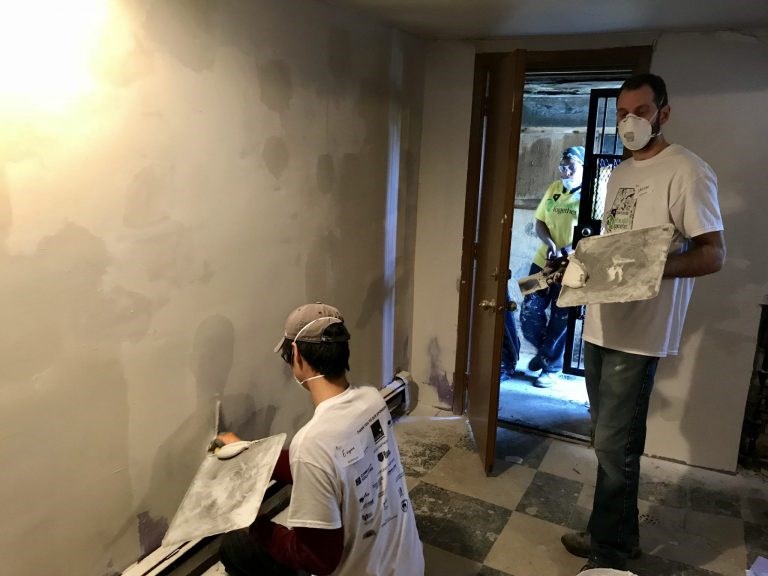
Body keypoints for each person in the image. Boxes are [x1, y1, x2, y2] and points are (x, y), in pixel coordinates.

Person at [560, 74, 726, 572]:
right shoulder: (622, 173)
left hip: (642, 331)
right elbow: (621, 244)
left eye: (640, 111)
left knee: (617, 445)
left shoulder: (689, 172)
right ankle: (616, 535)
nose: (629, 122)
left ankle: (608, 552)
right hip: (601, 324)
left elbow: (712, 255)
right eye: (621, 113)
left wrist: (645, 268)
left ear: (664, 113)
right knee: (607, 442)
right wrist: (585, 264)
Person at [217, 303, 424, 576]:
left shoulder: (313, 442)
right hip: (408, 567)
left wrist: (252, 521)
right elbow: (326, 466)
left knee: (236, 546)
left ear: (295, 354)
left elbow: (316, 560)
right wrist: (247, 451)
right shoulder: (372, 400)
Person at [520, 146, 584, 388]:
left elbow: (592, 231)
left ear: (582, 167)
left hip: (573, 265)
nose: (566, 171)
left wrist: (566, 251)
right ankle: (545, 352)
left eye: (571, 166)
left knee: (561, 317)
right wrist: (550, 245)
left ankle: (551, 368)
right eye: (563, 166)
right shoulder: (554, 189)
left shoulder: (592, 193)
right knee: (528, 312)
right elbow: (539, 222)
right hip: (544, 261)